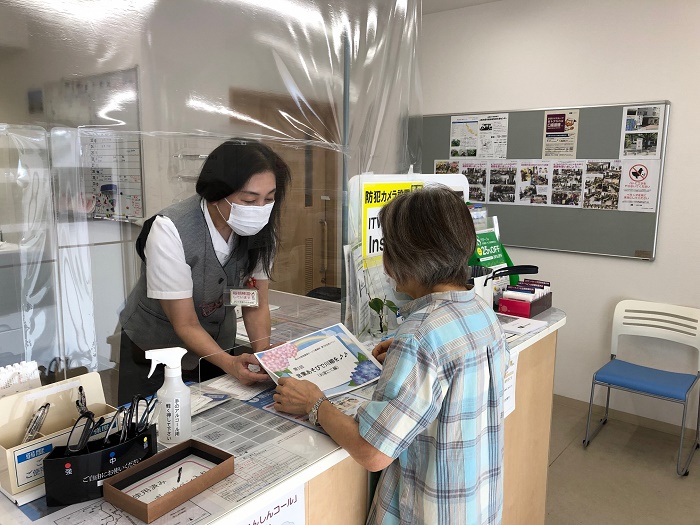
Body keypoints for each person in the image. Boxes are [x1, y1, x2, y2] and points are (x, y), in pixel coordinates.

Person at [273, 185, 509, 525]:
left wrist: (315, 403)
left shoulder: (420, 335)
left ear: (409, 257)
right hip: (475, 505)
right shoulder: (481, 311)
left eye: (388, 248)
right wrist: (406, 360)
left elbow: (372, 452)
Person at [118, 139, 290, 405]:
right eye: (248, 199)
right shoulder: (169, 229)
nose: (260, 210)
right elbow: (184, 323)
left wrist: (262, 354)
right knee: (156, 430)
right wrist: (230, 364)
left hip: (217, 348)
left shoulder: (261, 229)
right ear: (216, 192)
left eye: (269, 199)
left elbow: (255, 301)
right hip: (156, 353)